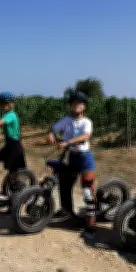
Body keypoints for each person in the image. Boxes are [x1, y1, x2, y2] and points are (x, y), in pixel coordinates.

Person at [48, 91, 98, 237]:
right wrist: (51, 133)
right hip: (72, 157)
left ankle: (90, 226)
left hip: (84, 158)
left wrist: (67, 142)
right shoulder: (67, 120)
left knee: (88, 191)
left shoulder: (87, 122)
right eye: (74, 103)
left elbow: (86, 136)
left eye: (79, 103)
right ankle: (67, 212)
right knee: (64, 185)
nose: (76, 105)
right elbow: (54, 127)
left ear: (84, 106)